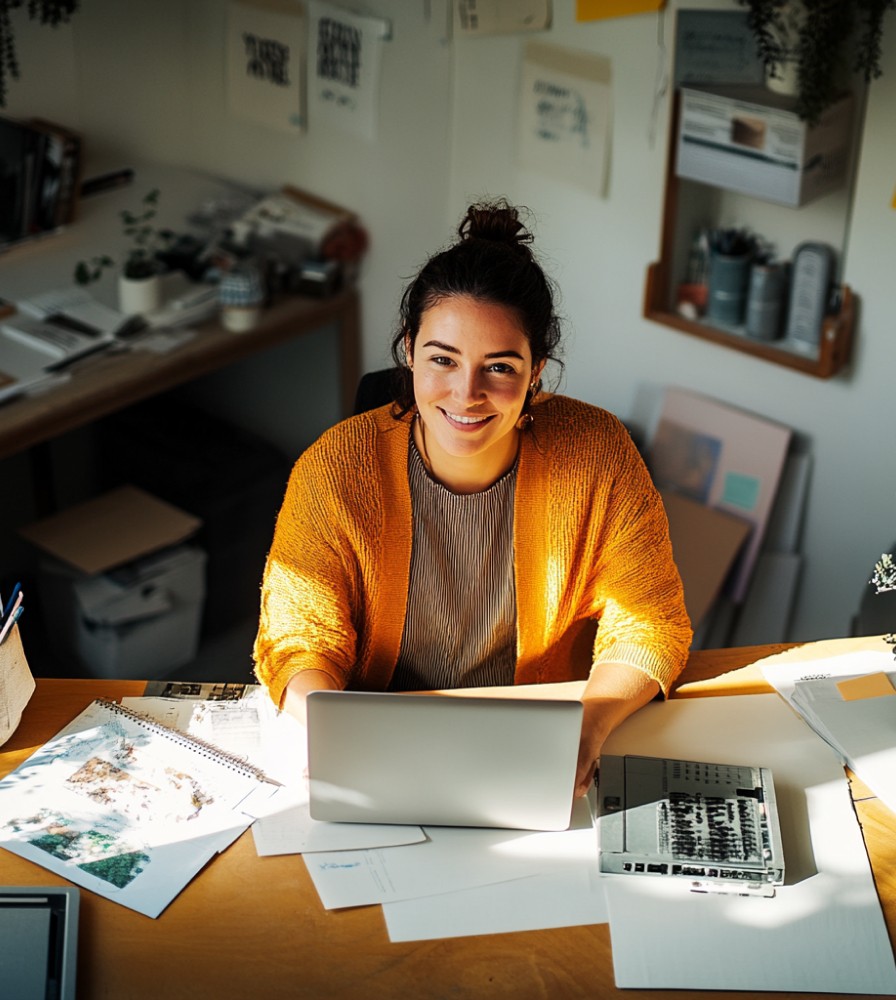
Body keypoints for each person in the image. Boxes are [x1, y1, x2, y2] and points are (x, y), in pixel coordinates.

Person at [253, 200, 692, 797]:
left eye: (501, 367)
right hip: (381, 752)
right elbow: (299, 638)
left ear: (537, 371)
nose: (467, 393)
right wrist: (330, 725)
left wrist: (586, 732)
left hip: (534, 745)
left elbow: (650, 628)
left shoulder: (598, 454)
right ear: (409, 351)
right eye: (442, 359)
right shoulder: (334, 467)